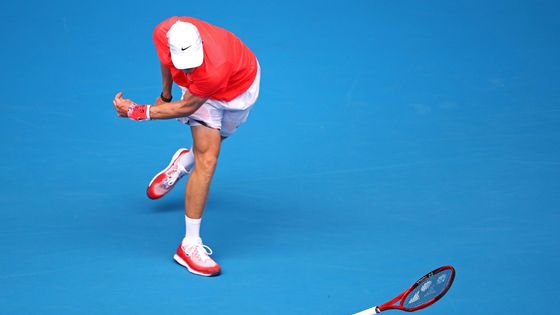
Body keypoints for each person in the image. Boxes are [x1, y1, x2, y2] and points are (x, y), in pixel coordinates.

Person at [112, 16, 260, 277]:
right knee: (209, 159)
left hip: (239, 90)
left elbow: (187, 107)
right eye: (185, 66)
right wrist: (165, 94)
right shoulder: (163, 32)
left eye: (191, 65)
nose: (188, 71)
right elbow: (166, 61)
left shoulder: (216, 67)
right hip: (203, 94)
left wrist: (137, 111)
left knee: (218, 140)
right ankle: (189, 245)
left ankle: (183, 162)